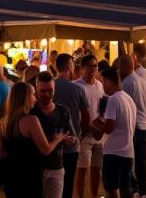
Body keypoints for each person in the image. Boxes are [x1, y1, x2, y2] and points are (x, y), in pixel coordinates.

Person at [0, 81, 66, 198]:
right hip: (29, 175)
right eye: (33, 94)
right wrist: (57, 139)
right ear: (25, 98)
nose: (35, 98)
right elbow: (46, 149)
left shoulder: (4, 122)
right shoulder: (31, 120)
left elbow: (0, 153)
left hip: (11, 176)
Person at [92, 68, 137, 198]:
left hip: (113, 152)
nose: (103, 86)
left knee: (111, 188)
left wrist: (96, 125)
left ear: (108, 81)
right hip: (128, 151)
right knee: (125, 187)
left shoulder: (113, 100)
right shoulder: (128, 99)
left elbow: (109, 127)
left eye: (102, 82)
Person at [31, 73, 77, 197]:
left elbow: (73, 136)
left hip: (56, 166)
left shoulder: (63, 111)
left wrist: (70, 140)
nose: (47, 94)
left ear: (55, 89)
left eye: (50, 90)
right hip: (34, 168)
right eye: (43, 91)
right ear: (36, 89)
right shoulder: (31, 112)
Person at [53, 53, 88, 198]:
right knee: (68, 183)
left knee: (52, 183)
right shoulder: (77, 89)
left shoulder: (49, 87)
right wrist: (80, 135)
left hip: (51, 141)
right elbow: (86, 116)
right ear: (69, 67)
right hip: (71, 143)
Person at [120, 54, 146, 196]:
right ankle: (143, 189)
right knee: (141, 160)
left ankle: (138, 189)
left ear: (125, 67)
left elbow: (126, 107)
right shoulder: (142, 81)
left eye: (120, 67)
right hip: (145, 123)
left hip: (136, 126)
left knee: (133, 161)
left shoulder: (127, 82)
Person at [74, 55, 105, 198]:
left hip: (98, 133)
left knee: (96, 168)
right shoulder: (77, 86)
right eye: (91, 66)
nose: (94, 69)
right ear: (83, 68)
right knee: (81, 169)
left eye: (96, 66)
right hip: (84, 133)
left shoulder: (99, 85)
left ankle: (94, 195)